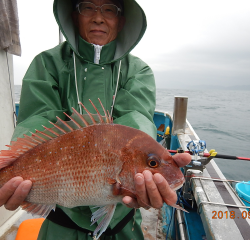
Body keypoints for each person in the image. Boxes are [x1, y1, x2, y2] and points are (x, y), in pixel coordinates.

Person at [0, 0, 191, 239]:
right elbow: (36, 122)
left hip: (124, 227)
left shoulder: (138, 70)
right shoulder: (46, 64)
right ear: (73, 16)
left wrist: (147, 170)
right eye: (87, 7)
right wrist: (11, 174)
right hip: (60, 225)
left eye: (109, 9)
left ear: (121, 20)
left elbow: (137, 120)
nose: (98, 18)